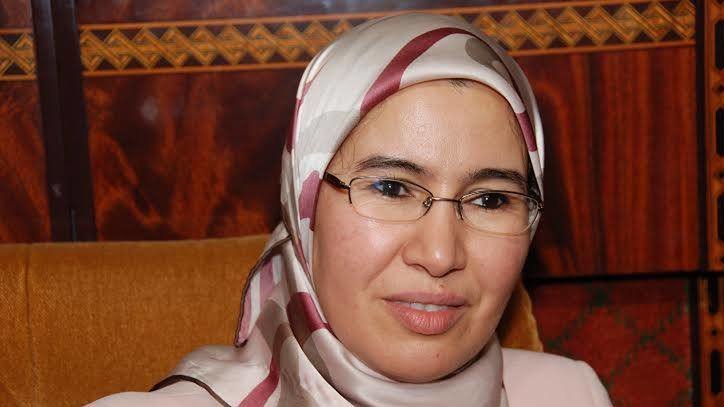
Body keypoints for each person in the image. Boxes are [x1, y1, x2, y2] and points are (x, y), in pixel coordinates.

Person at [90, 12, 612, 406]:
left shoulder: (570, 394)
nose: (440, 254)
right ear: (305, 209)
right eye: (391, 188)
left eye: (490, 199)